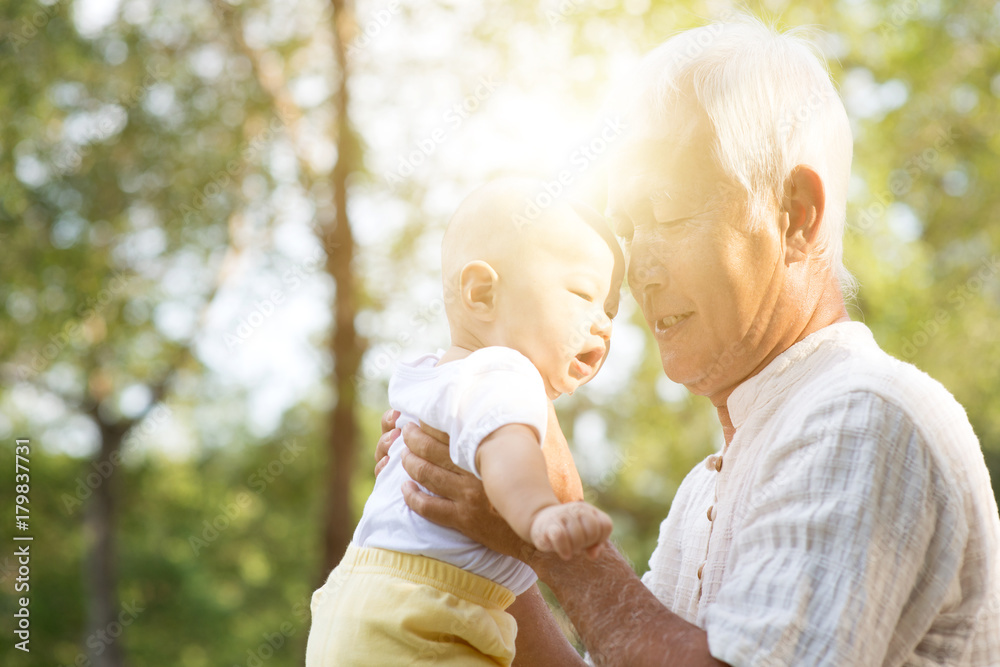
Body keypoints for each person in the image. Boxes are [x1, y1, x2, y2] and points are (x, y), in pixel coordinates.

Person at [376, 15, 1000, 667]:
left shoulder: (862, 417)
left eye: (668, 215)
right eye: (628, 229)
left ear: (796, 214)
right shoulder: (706, 488)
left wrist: (551, 535)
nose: (639, 270)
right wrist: (477, 536)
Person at [305, 178, 625, 666]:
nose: (603, 323)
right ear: (481, 293)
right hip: (425, 621)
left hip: (358, 605)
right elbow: (506, 447)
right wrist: (541, 512)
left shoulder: (435, 373)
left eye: (609, 308)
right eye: (582, 294)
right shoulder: (506, 370)